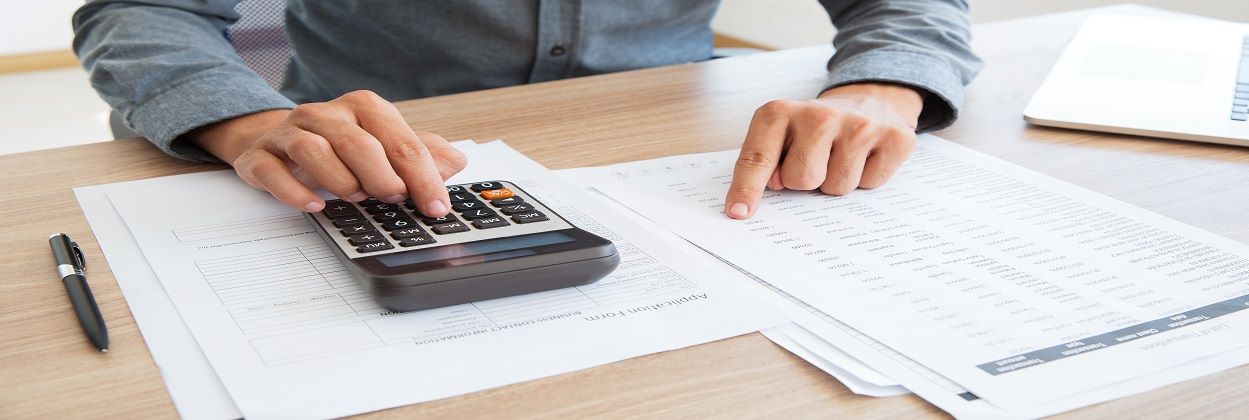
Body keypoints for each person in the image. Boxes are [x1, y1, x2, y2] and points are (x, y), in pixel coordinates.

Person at [72, 0, 981, 220]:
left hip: (674, 157)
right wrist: (245, 120)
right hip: (379, 159)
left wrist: (882, 86)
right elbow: (143, 10)